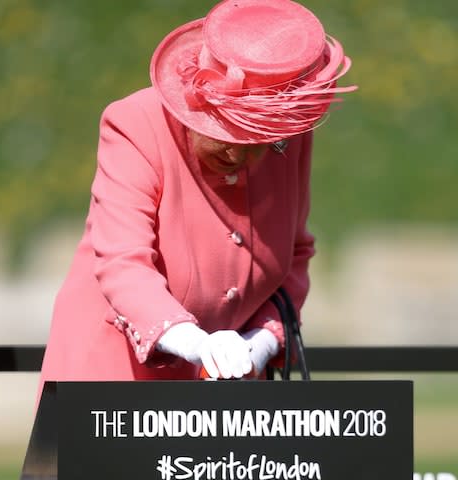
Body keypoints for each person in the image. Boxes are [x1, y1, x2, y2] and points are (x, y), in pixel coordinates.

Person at [38, 0, 356, 395]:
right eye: (226, 133)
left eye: (260, 142)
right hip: (110, 380)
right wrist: (196, 344)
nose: (239, 153)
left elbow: (294, 257)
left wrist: (261, 342)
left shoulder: (289, 138)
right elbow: (123, 262)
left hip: (222, 396)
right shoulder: (135, 123)